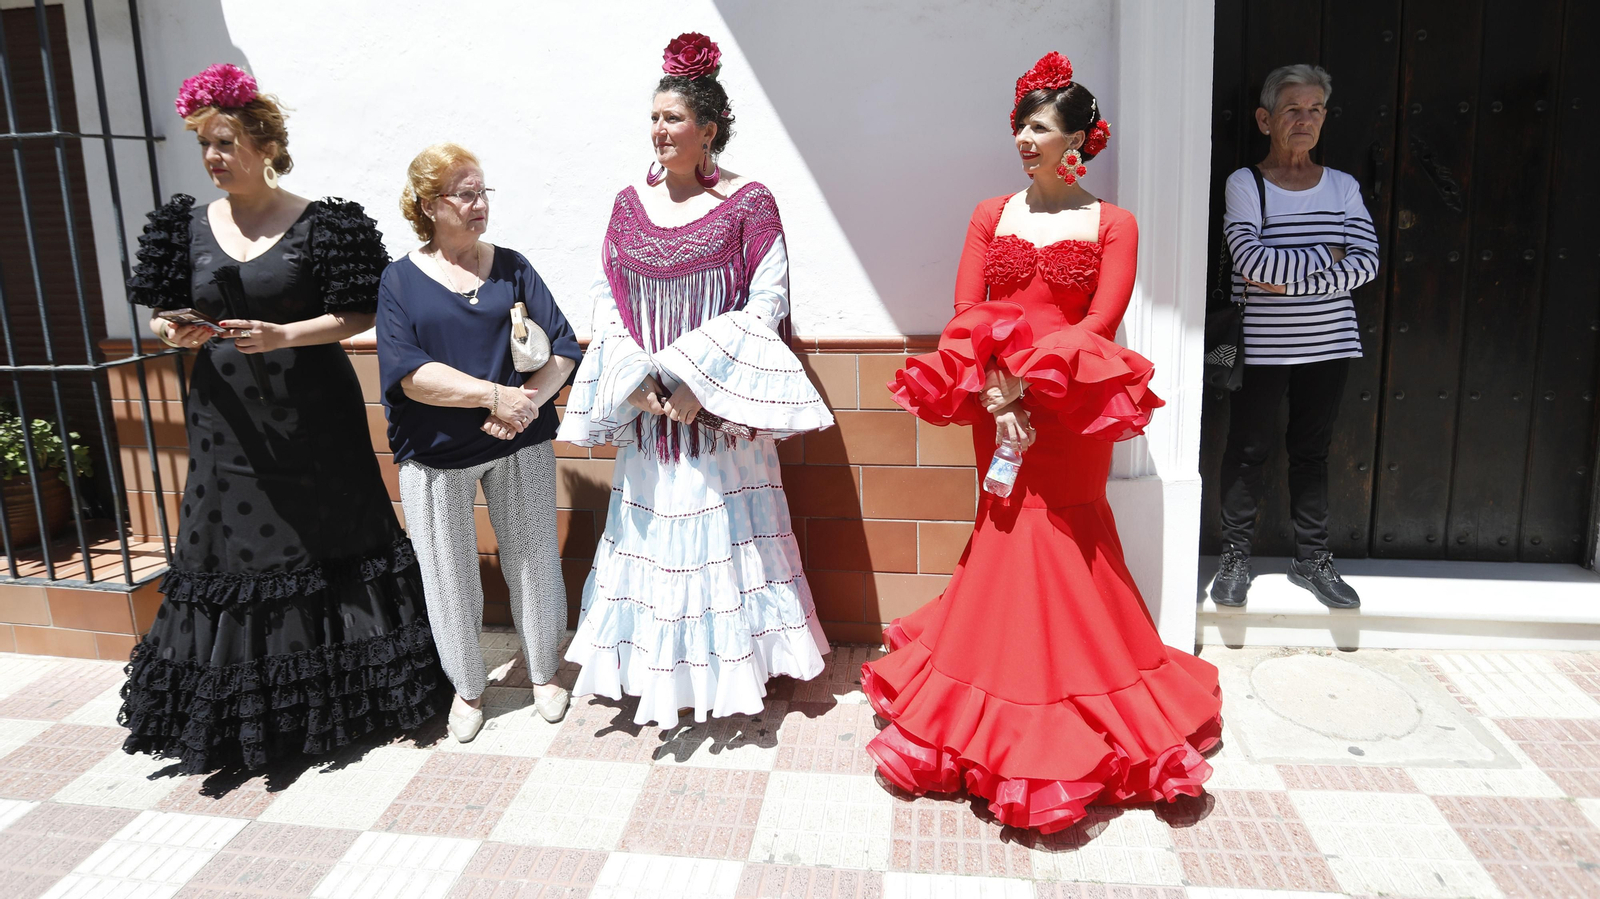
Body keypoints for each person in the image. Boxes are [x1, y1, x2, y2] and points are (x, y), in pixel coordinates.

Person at [862, 52, 1222, 834]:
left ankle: (1079, 707)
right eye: (1019, 124)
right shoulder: (991, 212)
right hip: (997, 399)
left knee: (1069, 533)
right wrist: (996, 386)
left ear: (1079, 141)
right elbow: (966, 306)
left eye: (1038, 126)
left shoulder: (1114, 223)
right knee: (1003, 531)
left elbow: (1100, 320)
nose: (1022, 138)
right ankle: (990, 705)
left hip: (1070, 404)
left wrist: (1028, 384)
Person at [119, 65, 448, 773]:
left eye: (225, 142)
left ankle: (350, 695)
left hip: (314, 417)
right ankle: (251, 713)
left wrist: (283, 333)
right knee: (234, 553)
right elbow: (159, 313)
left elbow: (359, 311)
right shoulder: (182, 225)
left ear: (265, 145)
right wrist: (172, 333)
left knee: (332, 540)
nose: (212, 157)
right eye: (204, 144)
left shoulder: (324, 224)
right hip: (226, 420)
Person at [557, 32, 834, 727]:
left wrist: (698, 380)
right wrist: (633, 378)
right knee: (653, 545)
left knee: (725, 540)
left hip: (720, 420)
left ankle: (736, 674)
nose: (659, 129)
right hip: (651, 420)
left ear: (708, 129)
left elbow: (766, 301)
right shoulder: (628, 206)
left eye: (673, 118)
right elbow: (606, 299)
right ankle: (659, 674)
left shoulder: (750, 204)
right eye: (653, 117)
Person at [377, 143, 582, 742]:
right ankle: (468, 687)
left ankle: (544, 673)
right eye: (465, 194)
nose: (479, 205)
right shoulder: (400, 280)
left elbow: (564, 349)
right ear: (428, 205)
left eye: (483, 192)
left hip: (517, 439)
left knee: (534, 560)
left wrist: (523, 406)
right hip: (435, 452)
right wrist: (494, 396)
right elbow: (410, 373)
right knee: (447, 572)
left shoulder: (513, 266)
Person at [1210, 64, 1379, 609]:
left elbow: (1368, 264)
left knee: (1312, 452)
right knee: (1248, 449)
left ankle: (1313, 560)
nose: (1305, 120)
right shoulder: (1246, 184)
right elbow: (1251, 261)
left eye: (1315, 110)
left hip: (1330, 344)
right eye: (1292, 109)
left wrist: (1286, 282)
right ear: (1265, 119)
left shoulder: (1344, 186)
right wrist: (1327, 257)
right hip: (1262, 345)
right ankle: (1235, 556)